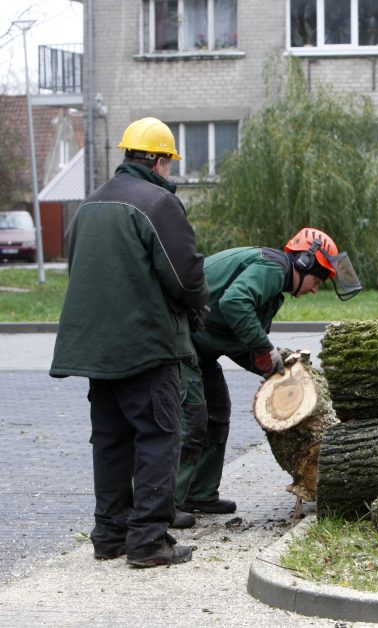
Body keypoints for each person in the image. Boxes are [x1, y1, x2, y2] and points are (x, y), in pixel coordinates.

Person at [49, 117, 210, 567]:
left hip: (96, 350)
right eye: (169, 162)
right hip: (146, 345)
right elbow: (187, 276)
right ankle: (148, 542)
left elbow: (78, 267)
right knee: (159, 435)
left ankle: (109, 535)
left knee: (111, 440)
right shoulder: (158, 203)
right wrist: (198, 307)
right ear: (159, 160)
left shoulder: (91, 204)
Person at [174, 227, 361, 521]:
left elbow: (238, 337)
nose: (314, 289)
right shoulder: (272, 270)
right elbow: (234, 304)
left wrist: (272, 367)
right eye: (317, 281)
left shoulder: (275, 290)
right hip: (180, 338)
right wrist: (264, 349)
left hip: (202, 345)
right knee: (193, 418)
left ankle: (200, 493)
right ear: (303, 264)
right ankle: (167, 505)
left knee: (218, 412)